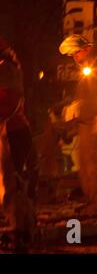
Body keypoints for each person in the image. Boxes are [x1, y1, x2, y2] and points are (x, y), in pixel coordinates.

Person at [59, 34, 97, 215]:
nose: (75, 57)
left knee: (91, 164)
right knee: (85, 164)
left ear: (87, 49)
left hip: (93, 122)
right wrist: (76, 107)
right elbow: (88, 96)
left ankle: (96, 204)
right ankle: (92, 201)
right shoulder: (89, 69)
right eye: (73, 54)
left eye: (77, 53)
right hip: (86, 122)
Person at [0, 37, 36, 251]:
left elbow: (7, 101)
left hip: (12, 132)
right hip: (16, 131)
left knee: (12, 184)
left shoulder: (5, 70)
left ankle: (19, 230)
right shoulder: (10, 67)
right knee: (16, 182)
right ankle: (24, 228)